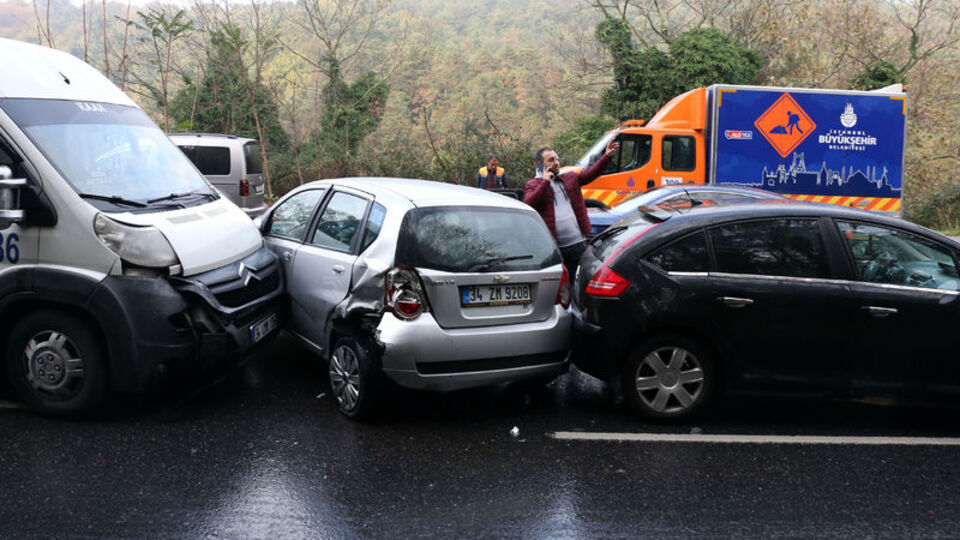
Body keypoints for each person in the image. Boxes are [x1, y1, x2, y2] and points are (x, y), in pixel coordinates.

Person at [524, 138, 618, 274]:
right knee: (561, 286)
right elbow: (530, 203)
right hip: (554, 249)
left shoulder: (569, 177)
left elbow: (591, 174)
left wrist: (607, 156)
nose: (556, 163)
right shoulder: (533, 184)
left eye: (556, 159)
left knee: (582, 281)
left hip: (578, 244)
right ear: (539, 164)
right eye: (550, 160)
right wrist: (545, 182)